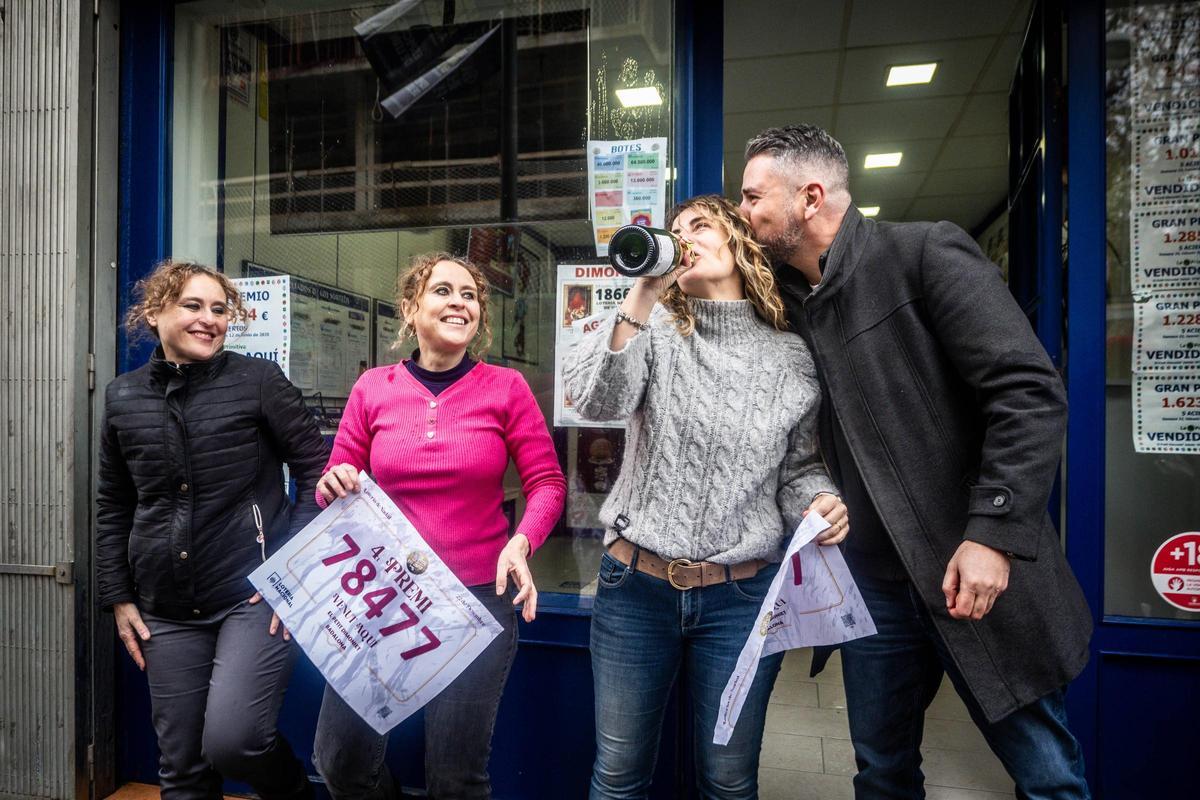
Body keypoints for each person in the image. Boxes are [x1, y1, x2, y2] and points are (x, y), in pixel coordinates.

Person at [739, 124, 1093, 799]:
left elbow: (1028, 394)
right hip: (873, 582)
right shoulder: (786, 305)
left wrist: (993, 534)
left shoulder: (923, 253)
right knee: (882, 773)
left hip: (969, 569)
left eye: (754, 196)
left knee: (1048, 778)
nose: (744, 210)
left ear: (810, 197)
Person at [563, 195, 850, 800]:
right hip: (635, 589)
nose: (684, 236)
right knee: (617, 776)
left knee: (728, 780)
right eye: (675, 231)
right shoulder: (652, 329)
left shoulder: (790, 356)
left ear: (740, 243)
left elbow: (798, 468)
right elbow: (597, 403)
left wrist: (820, 501)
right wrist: (644, 291)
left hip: (740, 600)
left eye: (700, 225)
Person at [311, 252, 566, 800]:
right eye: (443, 290)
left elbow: (547, 482)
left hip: (474, 602)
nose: (459, 303)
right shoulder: (373, 387)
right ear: (410, 308)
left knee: (454, 778)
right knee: (340, 760)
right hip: (385, 599)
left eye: (469, 295)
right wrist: (334, 483)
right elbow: (333, 481)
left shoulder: (506, 388)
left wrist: (522, 542)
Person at [96, 260, 328, 800]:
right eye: (192, 306)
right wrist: (119, 595)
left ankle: (295, 792)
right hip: (164, 606)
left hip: (253, 597)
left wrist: (291, 571)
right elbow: (114, 502)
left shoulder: (258, 382)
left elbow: (318, 471)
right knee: (181, 767)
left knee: (235, 741)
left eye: (219, 309)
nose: (209, 319)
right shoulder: (122, 397)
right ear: (154, 314)